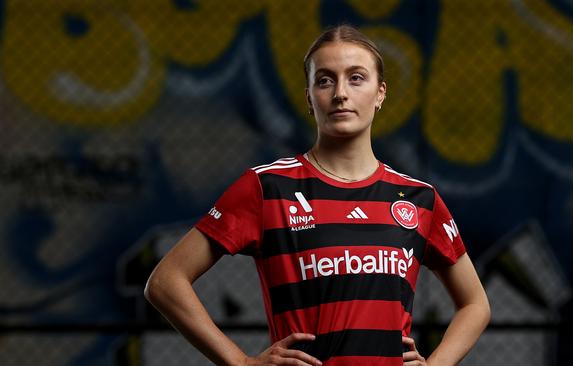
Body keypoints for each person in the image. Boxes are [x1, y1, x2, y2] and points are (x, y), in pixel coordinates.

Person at [145, 24, 490, 366]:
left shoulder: (419, 198)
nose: (340, 92)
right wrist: (241, 362)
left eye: (356, 78)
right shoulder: (267, 188)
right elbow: (164, 281)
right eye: (325, 80)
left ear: (380, 93)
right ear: (310, 97)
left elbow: (475, 305)